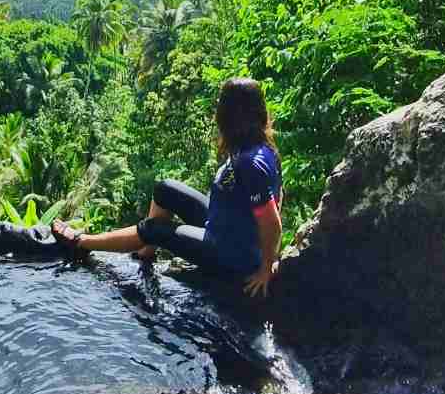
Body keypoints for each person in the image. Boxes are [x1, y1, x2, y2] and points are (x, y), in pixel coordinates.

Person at [51, 77, 283, 298]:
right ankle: (145, 254)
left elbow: (272, 221)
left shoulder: (251, 161)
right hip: (225, 228)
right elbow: (278, 195)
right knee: (165, 189)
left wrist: (264, 269)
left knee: (155, 229)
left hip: (228, 254)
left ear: (231, 115)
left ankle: (81, 243)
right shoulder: (255, 147)